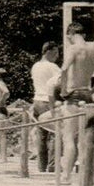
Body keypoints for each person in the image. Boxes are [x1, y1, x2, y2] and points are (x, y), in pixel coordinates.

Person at [57, 22, 94, 183]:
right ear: (84, 35)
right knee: (85, 140)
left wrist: (63, 90)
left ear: (70, 34)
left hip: (73, 95)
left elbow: (64, 69)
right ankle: (91, 176)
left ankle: (66, 176)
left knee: (69, 138)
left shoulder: (72, 49)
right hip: (87, 96)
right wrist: (93, 91)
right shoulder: (91, 51)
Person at [29, 41, 62, 172]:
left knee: (42, 135)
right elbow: (60, 82)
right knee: (56, 133)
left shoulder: (35, 66)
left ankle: (42, 165)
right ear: (49, 51)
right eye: (56, 52)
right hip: (48, 101)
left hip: (37, 100)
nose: (57, 56)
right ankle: (53, 164)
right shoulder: (52, 67)